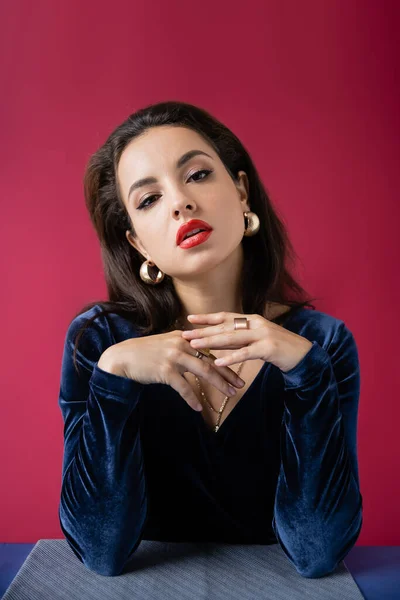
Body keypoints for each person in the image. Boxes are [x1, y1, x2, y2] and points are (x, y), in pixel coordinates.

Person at [58, 100, 363, 579]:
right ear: (137, 241)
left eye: (197, 175)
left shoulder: (320, 344)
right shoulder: (98, 343)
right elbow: (100, 552)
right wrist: (113, 379)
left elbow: (318, 551)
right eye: (148, 199)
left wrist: (306, 374)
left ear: (241, 192)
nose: (180, 201)